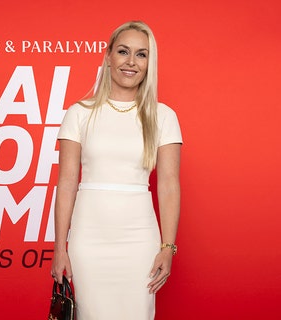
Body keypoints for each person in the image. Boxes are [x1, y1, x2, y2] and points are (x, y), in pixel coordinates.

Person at [50, 21, 182, 320]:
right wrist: (60, 248)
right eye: (123, 51)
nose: (131, 62)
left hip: (140, 239)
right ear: (108, 55)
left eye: (142, 54)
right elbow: (67, 183)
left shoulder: (164, 116)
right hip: (88, 238)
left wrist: (167, 248)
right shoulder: (79, 113)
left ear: (150, 63)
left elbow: (169, 185)